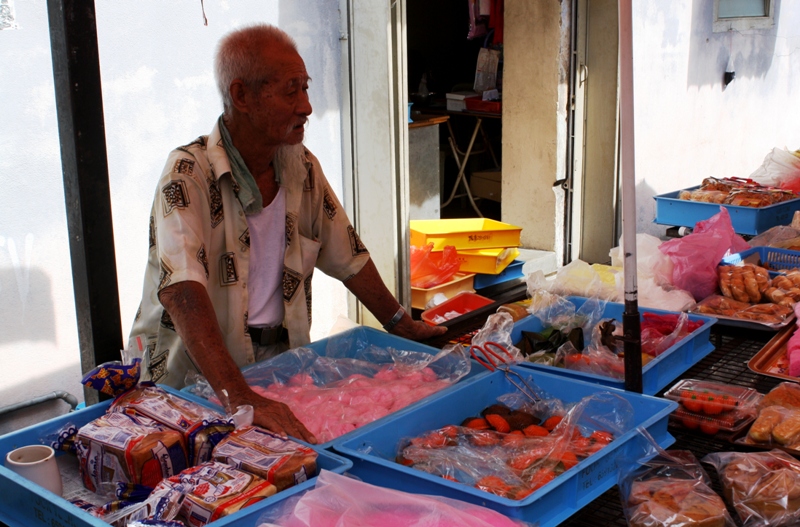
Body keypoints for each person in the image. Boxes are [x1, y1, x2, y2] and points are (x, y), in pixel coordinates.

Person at [129, 24, 446, 443]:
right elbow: (181, 290)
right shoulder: (188, 173)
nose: (307, 107)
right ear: (241, 96)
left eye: (306, 88)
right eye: (291, 91)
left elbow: (347, 253)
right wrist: (238, 396)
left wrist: (401, 323)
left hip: (279, 369)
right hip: (194, 384)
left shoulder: (301, 165)